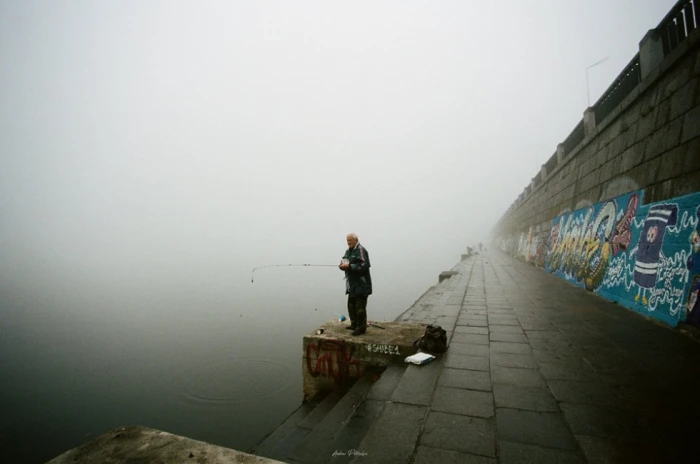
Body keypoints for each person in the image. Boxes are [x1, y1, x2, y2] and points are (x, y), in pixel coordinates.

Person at [338, 233, 372, 335]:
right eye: (347, 241)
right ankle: (354, 324)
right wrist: (341, 265)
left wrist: (349, 267)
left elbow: (364, 265)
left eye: (350, 240)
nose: (348, 242)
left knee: (360, 309)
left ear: (356, 240)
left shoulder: (360, 250)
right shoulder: (348, 251)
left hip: (362, 285)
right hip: (352, 286)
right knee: (351, 306)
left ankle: (361, 329)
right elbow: (345, 261)